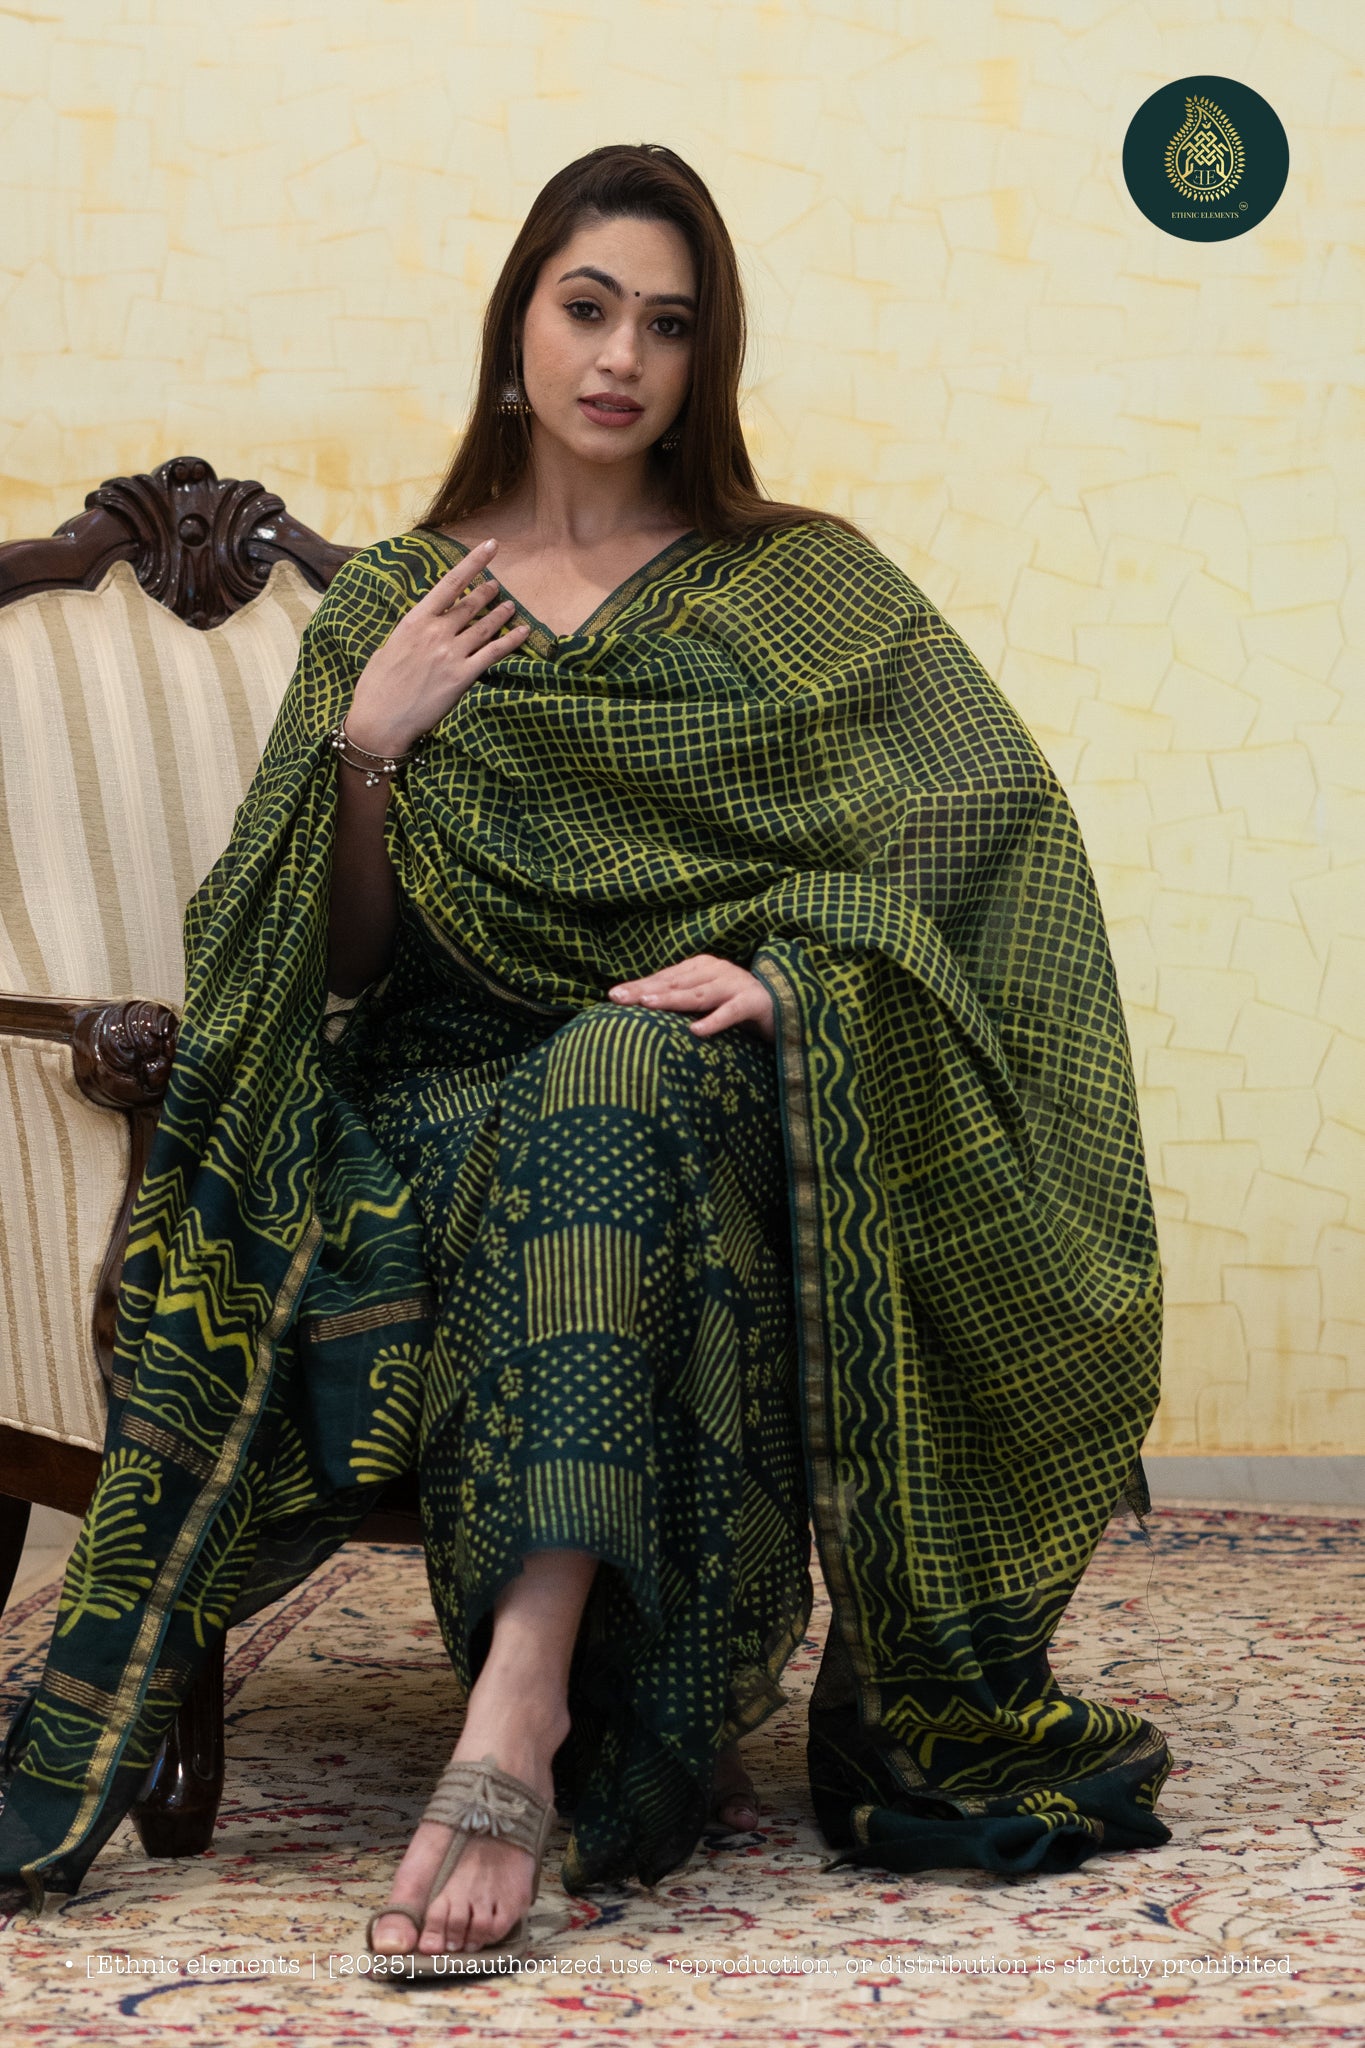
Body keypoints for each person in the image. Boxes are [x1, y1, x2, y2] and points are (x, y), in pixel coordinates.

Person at [0, 144, 1170, 1968]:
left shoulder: (802, 588)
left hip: (704, 1083)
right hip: (442, 1084)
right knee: (581, 1084)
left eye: (670, 324)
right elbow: (329, 964)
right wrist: (372, 747)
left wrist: (793, 976)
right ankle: (536, 1710)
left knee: (617, 1070)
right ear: (517, 329)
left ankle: (513, 1712)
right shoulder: (402, 600)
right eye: (588, 307)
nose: (622, 356)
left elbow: (984, 830)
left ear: (709, 360)